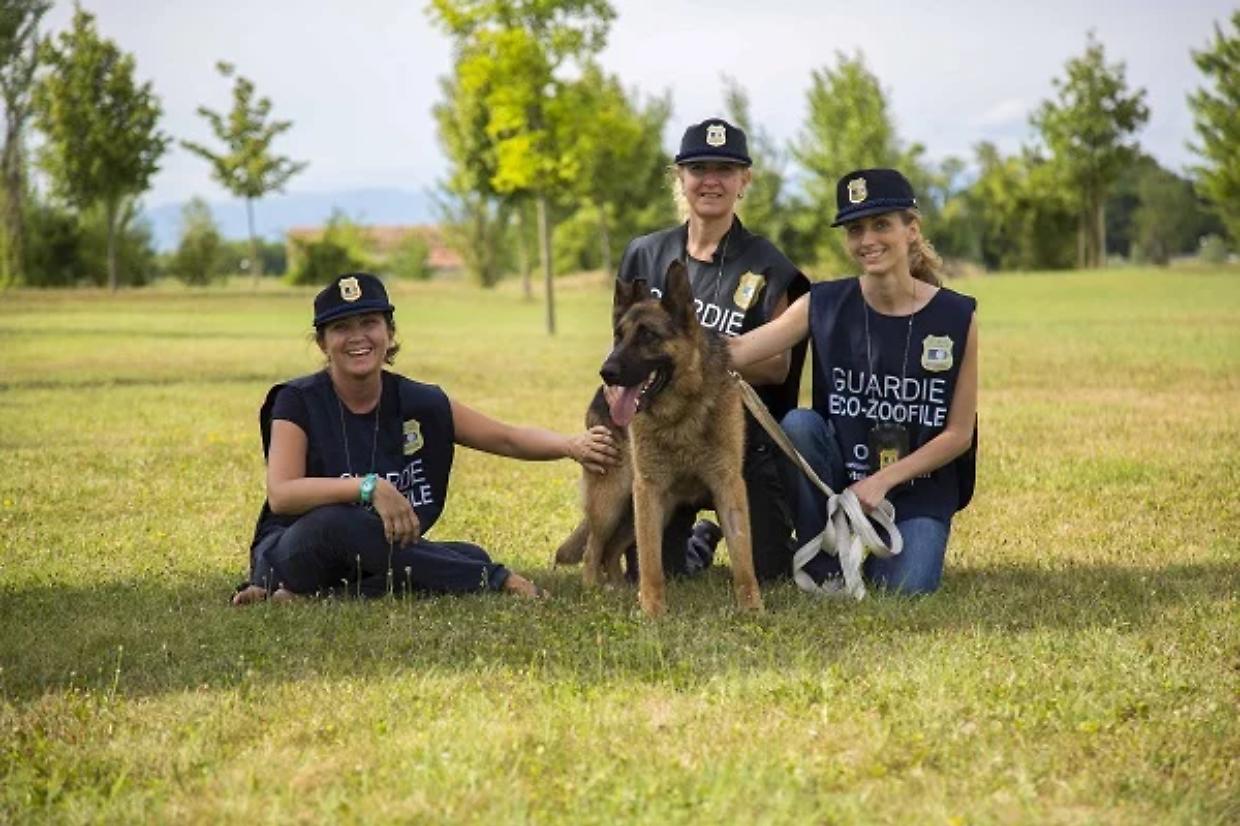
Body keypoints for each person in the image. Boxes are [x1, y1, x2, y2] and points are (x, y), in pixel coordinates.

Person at [233, 272, 619, 605]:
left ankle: (306, 598)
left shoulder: (418, 401)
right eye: (341, 328)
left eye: (369, 322)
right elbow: (282, 494)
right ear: (322, 343)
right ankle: (495, 579)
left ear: (389, 332)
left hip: (376, 551)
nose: (357, 337)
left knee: (467, 553)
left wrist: (571, 446)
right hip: (298, 550)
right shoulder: (296, 401)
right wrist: (368, 488)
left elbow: (506, 438)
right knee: (341, 522)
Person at [729, 168, 978, 595]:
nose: (867, 241)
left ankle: (895, 538)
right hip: (839, 479)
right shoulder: (823, 303)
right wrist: (660, 344)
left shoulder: (956, 316)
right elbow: (737, 351)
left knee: (903, 590)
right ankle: (822, 553)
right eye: (855, 229)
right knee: (800, 425)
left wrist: (883, 481)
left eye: (882, 225)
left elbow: (958, 435)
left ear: (911, 230)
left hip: (917, 487)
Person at [611, 117, 810, 581]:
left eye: (726, 168)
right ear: (680, 177)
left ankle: (749, 525)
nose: (711, 180)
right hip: (663, 436)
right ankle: (698, 540)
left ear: (745, 180)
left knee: (769, 573)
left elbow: (777, 365)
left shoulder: (766, 262)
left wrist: (696, 363)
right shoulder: (645, 254)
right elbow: (621, 350)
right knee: (656, 570)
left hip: (739, 443)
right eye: (699, 167)